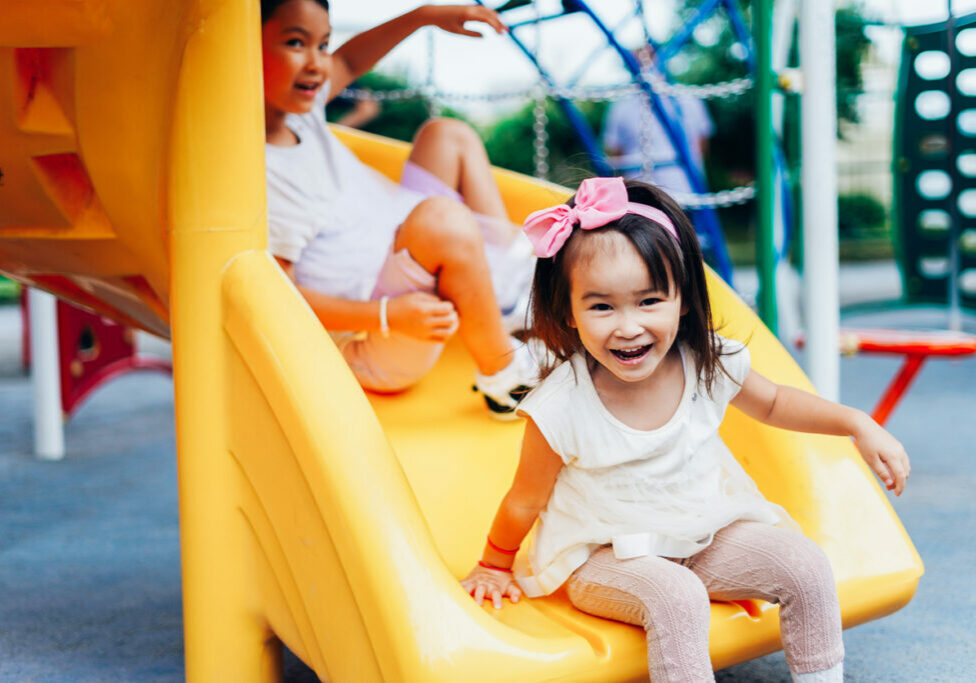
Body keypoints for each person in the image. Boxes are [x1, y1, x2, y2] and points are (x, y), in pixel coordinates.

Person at [461, 177, 911, 681]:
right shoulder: (562, 405)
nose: (628, 325)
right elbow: (525, 499)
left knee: (804, 565)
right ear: (569, 312)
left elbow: (777, 402)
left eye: (649, 301)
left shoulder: (704, 361)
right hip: (604, 558)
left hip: (702, 535)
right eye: (602, 306)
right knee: (676, 598)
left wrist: (857, 423)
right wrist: (494, 565)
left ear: (684, 300)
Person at [261, 0, 537, 417]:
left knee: (446, 135)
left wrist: (423, 16)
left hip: (397, 243)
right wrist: (388, 315)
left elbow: (350, 61)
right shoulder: (260, 170)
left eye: (322, 44)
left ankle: (510, 279)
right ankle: (504, 377)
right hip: (377, 334)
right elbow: (278, 297)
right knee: (442, 220)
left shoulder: (302, 110)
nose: (318, 63)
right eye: (296, 43)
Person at [602, 48, 713, 197]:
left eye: (648, 58)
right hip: (642, 194)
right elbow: (614, 152)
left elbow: (701, 144)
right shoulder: (621, 106)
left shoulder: (687, 100)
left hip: (683, 190)